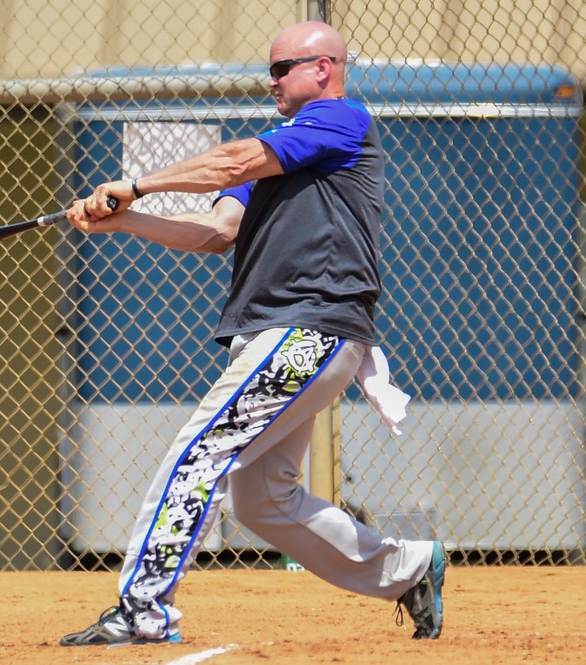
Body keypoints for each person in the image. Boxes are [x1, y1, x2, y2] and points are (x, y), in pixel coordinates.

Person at [59, 20, 445, 647]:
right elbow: (216, 231)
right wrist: (127, 220)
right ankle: (408, 568)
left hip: (307, 328)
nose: (269, 81)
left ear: (324, 68)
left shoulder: (340, 120)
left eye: (280, 68)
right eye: (268, 70)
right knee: (264, 500)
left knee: (197, 455)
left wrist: (136, 183)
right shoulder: (278, 155)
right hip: (279, 333)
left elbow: (230, 159)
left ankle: (143, 611)